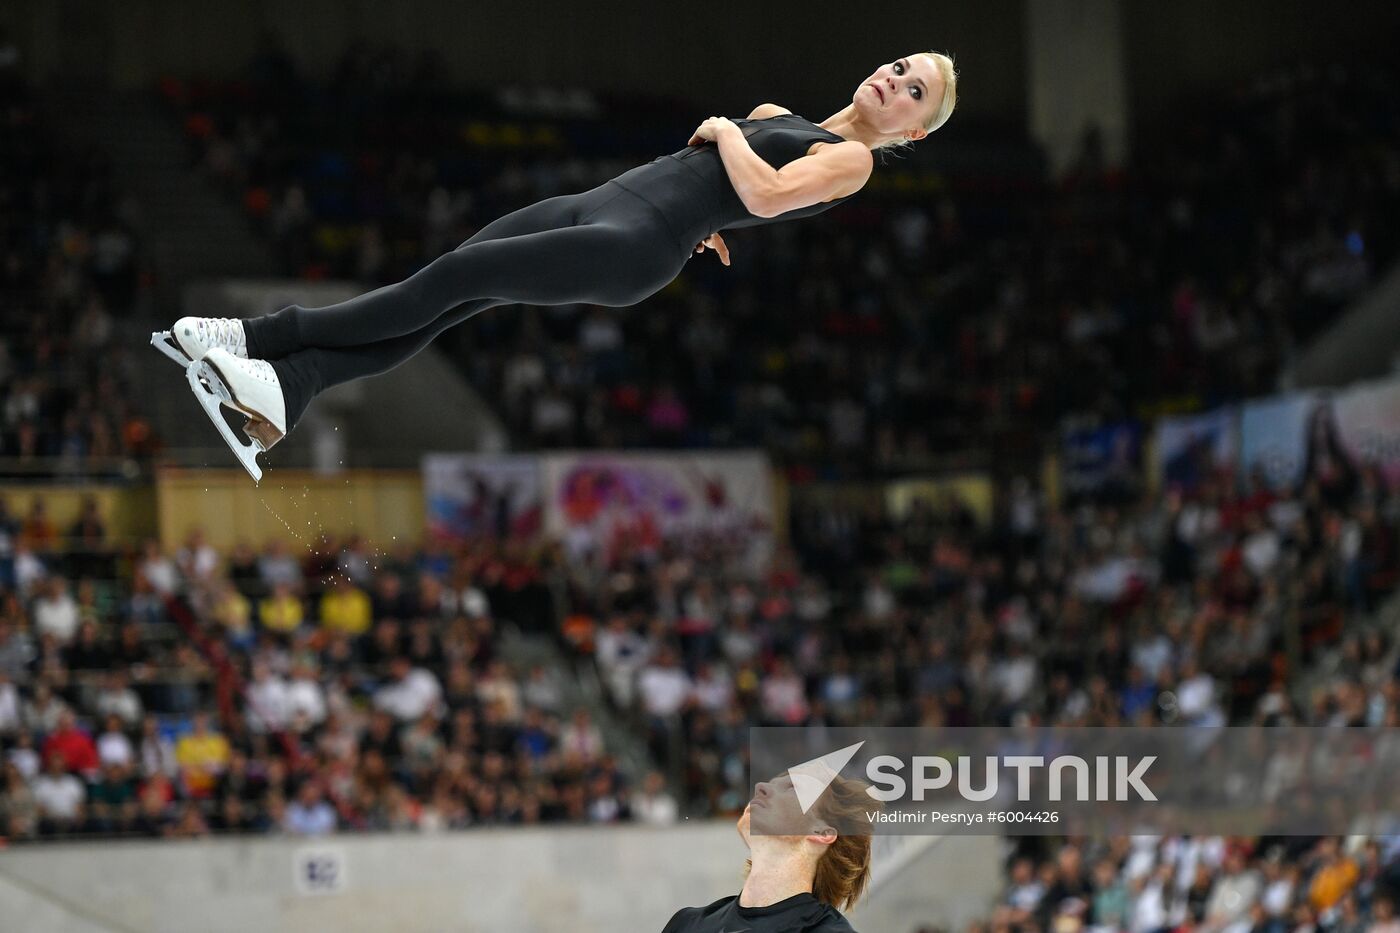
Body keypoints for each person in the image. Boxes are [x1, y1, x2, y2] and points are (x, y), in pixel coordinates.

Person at [156, 53, 957, 480]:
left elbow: (774, 192)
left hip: (633, 245)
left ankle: (258, 340)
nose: (892, 81)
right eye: (897, 68)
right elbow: (742, 196)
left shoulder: (851, 157)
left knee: (448, 284)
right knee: (456, 282)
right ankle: (292, 391)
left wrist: (727, 131)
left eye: (912, 90)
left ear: (915, 131)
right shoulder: (793, 118)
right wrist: (722, 210)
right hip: (608, 203)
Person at [660, 771, 873, 932]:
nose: (760, 786)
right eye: (771, 783)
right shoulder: (687, 924)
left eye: (792, 788)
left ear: (822, 832)